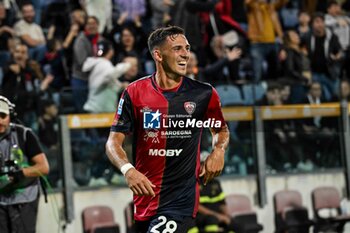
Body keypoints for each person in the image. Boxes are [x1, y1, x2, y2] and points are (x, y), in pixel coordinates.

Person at [105, 25, 229, 233]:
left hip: (180, 202)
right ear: (158, 55)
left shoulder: (204, 93)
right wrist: (128, 170)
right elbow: (112, 142)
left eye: (187, 48)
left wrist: (219, 150)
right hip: (145, 201)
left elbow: (220, 130)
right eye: (177, 49)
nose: (185, 54)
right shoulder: (134, 92)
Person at [0, 95, 50, 233]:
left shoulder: (24, 134)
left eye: (2, 116)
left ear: (11, 116)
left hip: (24, 200)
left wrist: (21, 174)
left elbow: (44, 167)